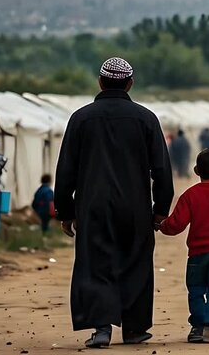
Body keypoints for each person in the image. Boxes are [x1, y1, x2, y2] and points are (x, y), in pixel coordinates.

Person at [54, 57, 174, 348]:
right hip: (134, 208)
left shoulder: (81, 118)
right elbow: (161, 170)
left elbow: (66, 170)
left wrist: (66, 211)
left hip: (93, 206)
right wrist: (160, 211)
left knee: (96, 265)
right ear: (130, 84)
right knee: (136, 264)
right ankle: (133, 330)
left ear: (100, 82)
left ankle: (101, 329)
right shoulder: (146, 119)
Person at [156, 149, 209, 344]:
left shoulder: (190, 195)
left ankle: (196, 327)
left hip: (196, 253)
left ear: (196, 170)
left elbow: (177, 224)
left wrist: (162, 226)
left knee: (195, 289)